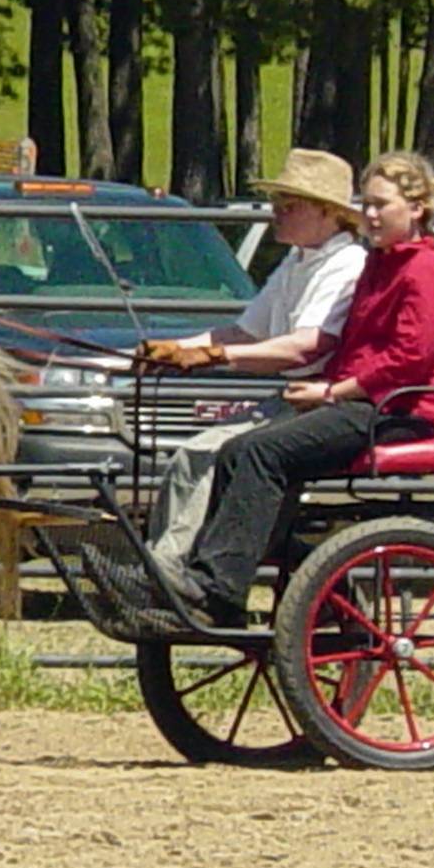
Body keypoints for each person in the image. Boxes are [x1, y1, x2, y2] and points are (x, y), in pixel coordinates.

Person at [89, 150, 434, 628]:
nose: (370, 214)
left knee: (260, 452)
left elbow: (406, 360)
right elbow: (270, 335)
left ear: (416, 209)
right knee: (238, 449)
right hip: (360, 400)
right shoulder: (378, 266)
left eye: (381, 205)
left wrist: (331, 393)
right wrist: (179, 349)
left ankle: (217, 588)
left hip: (399, 411)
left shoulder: (427, 273)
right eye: (366, 204)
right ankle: (196, 576)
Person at [133, 148, 367, 589]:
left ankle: (170, 575)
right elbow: (246, 332)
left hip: (317, 400)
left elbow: (306, 347)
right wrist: (172, 348)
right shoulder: (297, 261)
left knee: (211, 456)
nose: (276, 213)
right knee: (188, 458)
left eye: (289, 205)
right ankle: (162, 566)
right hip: (292, 397)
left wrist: (212, 356)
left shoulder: (345, 265)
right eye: (277, 202)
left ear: (329, 213)